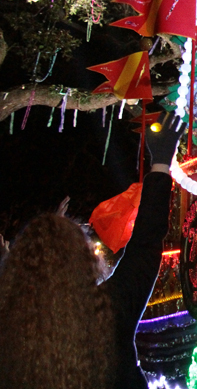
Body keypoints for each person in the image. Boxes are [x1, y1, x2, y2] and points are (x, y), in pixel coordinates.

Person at [0, 112, 185, 389]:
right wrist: (160, 162)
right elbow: (145, 242)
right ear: (82, 261)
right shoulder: (110, 308)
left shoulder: (11, 331)